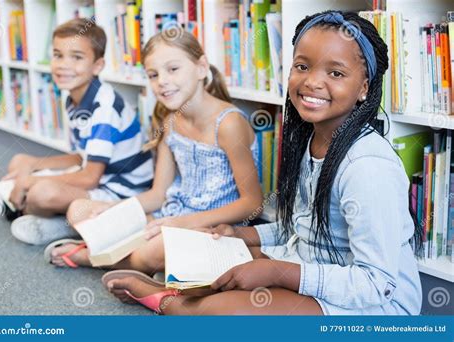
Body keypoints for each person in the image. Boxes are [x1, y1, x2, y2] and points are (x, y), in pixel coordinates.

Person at [103, 11, 423, 315]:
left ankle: (168, 301)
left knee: (223, 313)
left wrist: (277, 272)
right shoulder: (311, 140)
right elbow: (301, 229)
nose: (312, 82)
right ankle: (179, 291)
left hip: (374, 306)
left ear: (364, 88)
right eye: (302, 66)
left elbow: (377, 284)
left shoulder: (367, 166)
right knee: (220, 268)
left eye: (335, 73)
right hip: (310, 263)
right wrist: (243, 237)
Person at [46, 30, 263, 270]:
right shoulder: (170, 123)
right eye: (153, 74)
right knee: (81, 210)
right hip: (171, 213)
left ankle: (88, 257)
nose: (162, 81)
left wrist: (182, 223)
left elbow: (252, 202)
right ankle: (142, 261)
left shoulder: (229, 123)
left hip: (214, 226)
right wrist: (111, 208)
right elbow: (158, 194)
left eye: (173, 69)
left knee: (153, 249)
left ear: (201, 67)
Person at [7, 18, 153, 245]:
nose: (63, 65)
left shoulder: (105, 107)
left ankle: (63, 226)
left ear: (97, 66)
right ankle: (53, 216)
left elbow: (90, 177)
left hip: (120, 191)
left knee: (41, 193)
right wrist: (32, 166)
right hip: (96, 174)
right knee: (20, 161)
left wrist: (29, 182)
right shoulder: (74, 98)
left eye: (76, 57)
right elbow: (81, 156)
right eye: (58, 55)